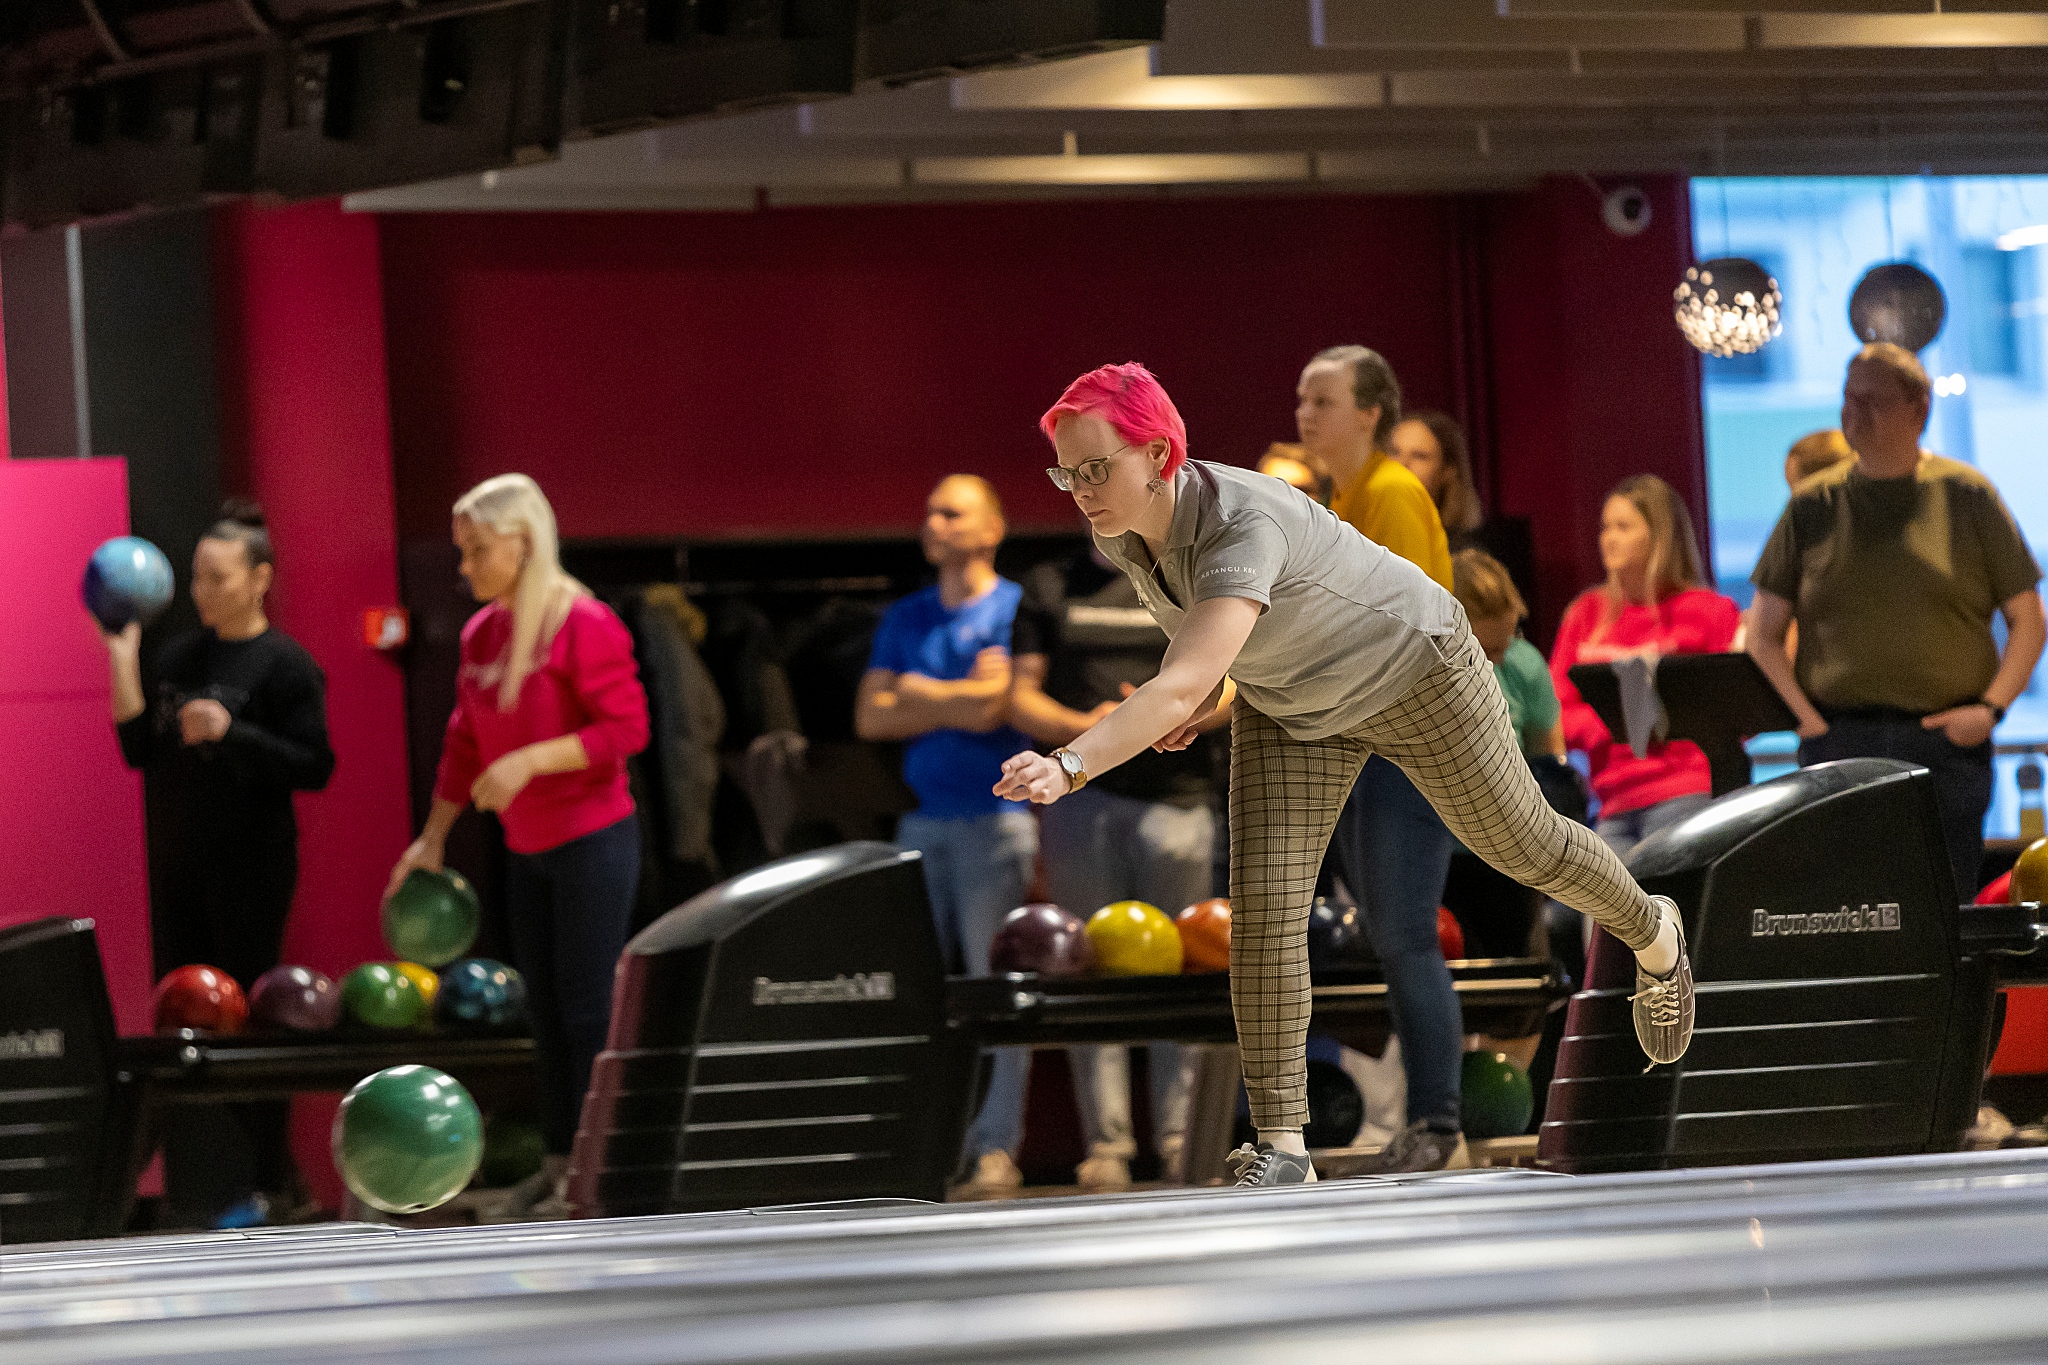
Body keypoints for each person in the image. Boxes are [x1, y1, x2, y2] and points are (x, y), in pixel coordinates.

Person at [1000, 362, 1692, 1190]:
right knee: (1265, 908)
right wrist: (1199, 695)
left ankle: (1652, 930)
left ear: (1157, 455)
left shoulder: (1239, 520)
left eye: (1093, 467)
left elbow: (1179, 680)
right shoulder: (1125, 531)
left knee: (1521, 843)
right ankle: (1284, 1146)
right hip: (1293, 701)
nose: (1080, 490)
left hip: (1417, 670)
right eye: (1066, 473)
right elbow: (1201, 653)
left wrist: (1071, 761)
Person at [387, 474, 650, 1221]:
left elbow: (627, 729)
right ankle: (560, 1161)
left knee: (587, 1008)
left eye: (476, 550)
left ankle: (601, 1170)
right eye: (462, 551)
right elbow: (463, 742)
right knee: (544, 1011)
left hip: (593, 840)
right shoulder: (483, 634)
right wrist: (432, 838)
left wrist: (531, 759)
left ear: (522, 542)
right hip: (526, 846)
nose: (464, 567)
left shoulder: (583, 622)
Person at [103, 500, 335, 1226]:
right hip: (182, 865)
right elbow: (139, 748)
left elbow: (316, 765)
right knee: (186, 1022)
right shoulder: (179, 658)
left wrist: (235, 732)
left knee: (248, 1019)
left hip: (252, 867)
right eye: (197, 576)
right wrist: (121, 653)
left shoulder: (286, 664)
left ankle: (277, 1179)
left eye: (217, 576)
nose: (202, 590)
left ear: (260, 578)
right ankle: (237, 1183)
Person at [1749, 344, 2046, 898]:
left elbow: (2029, 620)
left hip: (1945, 742)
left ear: (1918, 410)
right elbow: (1762, 633)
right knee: (1843, 911)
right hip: (1839, 740)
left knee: (1942, 911)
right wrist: (1806, 719)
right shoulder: (1812, 504)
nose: (1853, 412)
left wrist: (1991, 709)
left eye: (1872, 400)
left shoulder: (1967, 495)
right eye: (1848, 397)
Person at [1294, 345, 1467, 1173]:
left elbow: (1403, 630)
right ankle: (1427, 1121)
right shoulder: (1344, 498)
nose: (1304, 414)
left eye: (1322, 401)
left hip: (1407, 749)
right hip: (1367, 748)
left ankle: (1438, 1121)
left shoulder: (1391, 493)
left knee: (1406, 938)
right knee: (1395, 942)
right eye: (1302, 400)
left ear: (1370, 413)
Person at [1010, 539, 1229, 1189]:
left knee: (1184, 969)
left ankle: (1180, 1137)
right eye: (1079, 488)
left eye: (1100, 485)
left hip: (1177, 797)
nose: (1091, 497)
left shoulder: (1188, 573)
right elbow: (1021, 698)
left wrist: (1170, 717)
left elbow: (1234, 680)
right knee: (1086, 968)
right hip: (1085, 799)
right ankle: (1107, 1143)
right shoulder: (1050, 583)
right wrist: (1095, 724)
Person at [854, 475, 1037, 1198]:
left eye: (952, 512)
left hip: (998, 821)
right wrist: (960, 696)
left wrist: (918, 692)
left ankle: (996, 1147)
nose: (933, 522)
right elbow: (870, 717)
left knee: (998, 989)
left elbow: (998, 708)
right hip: (922, 821)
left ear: (992, 528)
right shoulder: (908, 613)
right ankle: (925, 1146)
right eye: (930, 511)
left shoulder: (1015, 608)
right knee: (917, 991)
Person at [1550, 475, 1741, 862]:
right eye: (1605, 527)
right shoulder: (1585, 614)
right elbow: (1556, 708)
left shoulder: (1708, 611)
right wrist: (1604, 724)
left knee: (1665, 896)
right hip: (1611, 800)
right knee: (1605, 900)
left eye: (1623, 527)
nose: (1609, 538)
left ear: (1660, 536)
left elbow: (1739, 708)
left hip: (1684, 791)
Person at [1454, 549, 1562, 761]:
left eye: (1505, 643)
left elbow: (1549, 758)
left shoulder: (1524, 662)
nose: (1498, 661)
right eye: (1486, 652)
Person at [1389, 410, 1485, 550]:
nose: (1401, 464)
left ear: (1448, 470)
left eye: (1419, 456)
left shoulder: (1463, 553)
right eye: (1394, 452)